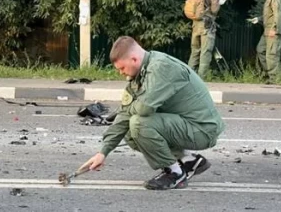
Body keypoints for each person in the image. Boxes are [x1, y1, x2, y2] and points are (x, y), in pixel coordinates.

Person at [82, 36, 225, 190]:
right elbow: (124, 114)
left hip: (202, 129)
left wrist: (129, 109)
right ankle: (189, 160)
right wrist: (103, 152)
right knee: (130, 130)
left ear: (134, 59)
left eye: (122, 68)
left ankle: (175, 174)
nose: (121, 73)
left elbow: (144, 108)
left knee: (139, 123)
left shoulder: (161, 68)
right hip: (185, 124)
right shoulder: (140, 74)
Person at [247, 0, 281, 83]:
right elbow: (270, 14)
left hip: (273, 31)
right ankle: (268, 75)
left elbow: (278, 14)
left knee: (272, 55)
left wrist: (274, 29)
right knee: (261, 50)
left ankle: (275, 80)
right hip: (267, 31)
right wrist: (259, 19)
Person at [187, 0, 227, 79]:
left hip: (195, 24)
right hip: (207, 25)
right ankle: (201, 79)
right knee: (206, 52)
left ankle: (190, 78)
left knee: (195, 51)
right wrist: (219, 4)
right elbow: (214, 10)